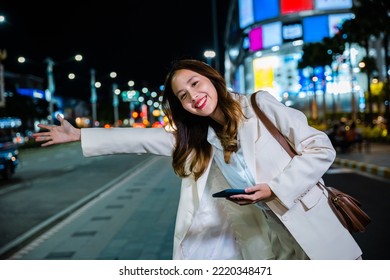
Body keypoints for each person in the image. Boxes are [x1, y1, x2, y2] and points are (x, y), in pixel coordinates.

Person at [33, 59, 362, 260]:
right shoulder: (199, 139)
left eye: (195, 83)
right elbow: (142, 139)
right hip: (273, 241)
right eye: (183, 95)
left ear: (211, 78)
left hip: (313, 228)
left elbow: (320, 147)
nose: (193, 96)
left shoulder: (259, 106)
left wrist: (275, 189)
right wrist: (80, 135)